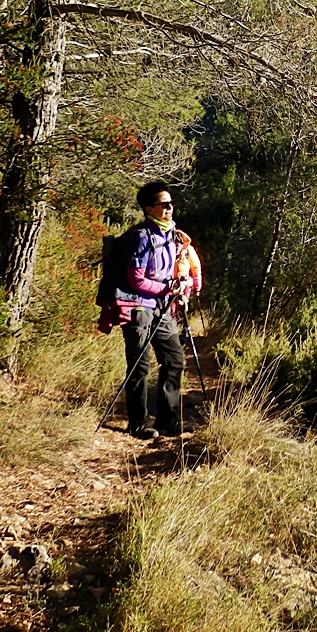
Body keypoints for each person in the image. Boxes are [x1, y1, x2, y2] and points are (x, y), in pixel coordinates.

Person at [112, 182, 201, 441]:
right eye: (164, 204)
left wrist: (181, 286)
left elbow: (173, 270)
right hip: (138, 306)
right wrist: (166, 289)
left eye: (171, 203)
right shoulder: (141, 236)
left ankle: (168, 421)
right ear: (149, 208)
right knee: (139, 365)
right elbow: (135, 280)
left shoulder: (172, 235)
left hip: (162, 306)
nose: (170, 207)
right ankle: (138, 424)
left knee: (174, 359)